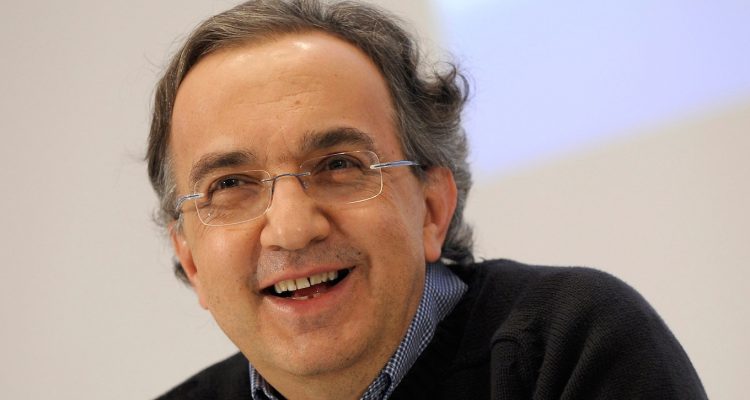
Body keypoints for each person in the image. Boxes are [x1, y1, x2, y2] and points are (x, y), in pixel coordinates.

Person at [146, 1, 707, 399]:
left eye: (340, 165)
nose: (292, 228)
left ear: (433, 209)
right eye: (230, 185)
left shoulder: (568, 348)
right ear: (190, 257)